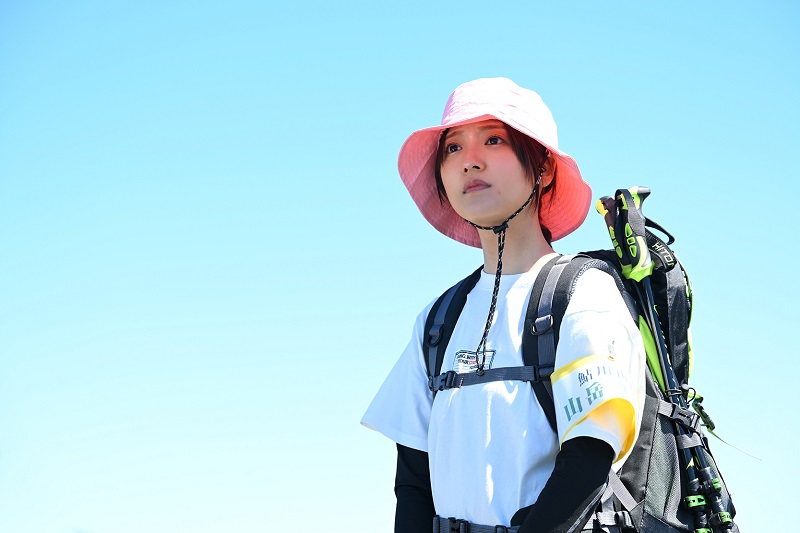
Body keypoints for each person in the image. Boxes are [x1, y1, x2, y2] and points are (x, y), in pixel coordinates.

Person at [361, 77, 646, 533]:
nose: (469, 160)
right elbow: (413, 482)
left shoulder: (583, 293)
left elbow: (588, 462)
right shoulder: (437, 321)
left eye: (493, 140)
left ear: (543, 168)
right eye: (453, 147)